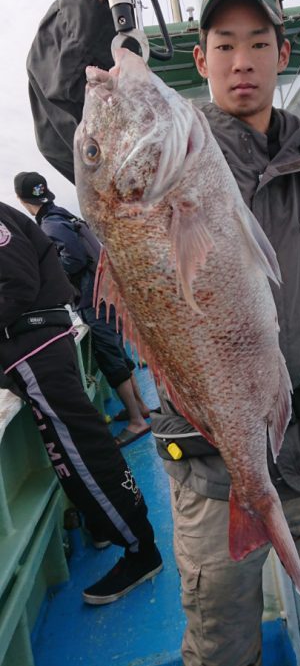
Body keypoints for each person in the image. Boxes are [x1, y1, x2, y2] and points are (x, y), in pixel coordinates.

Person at [26, 0, 300, 663]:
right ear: (198, 56)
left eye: (258, 42)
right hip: (206, 461)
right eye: (223, 44)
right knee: (219, 645)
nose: (241, 61)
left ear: (280, 51)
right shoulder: (184, 153)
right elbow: (71, 127)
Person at [0, 200, 163, 604]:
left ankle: (141, 549)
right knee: (71, 451)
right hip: (37, 348)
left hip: (32, 349)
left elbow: (16, 282)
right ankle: (106, 525)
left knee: (81, 451)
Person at [13, 170, 151, 447]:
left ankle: (137, 422)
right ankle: (142, 408)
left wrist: (51, 278)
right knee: (119, 354)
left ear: (21, 199)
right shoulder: (63, 215)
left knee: (111, 358)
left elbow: (73, 260)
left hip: (91, 300)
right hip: (105, 295)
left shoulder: (50, 225)